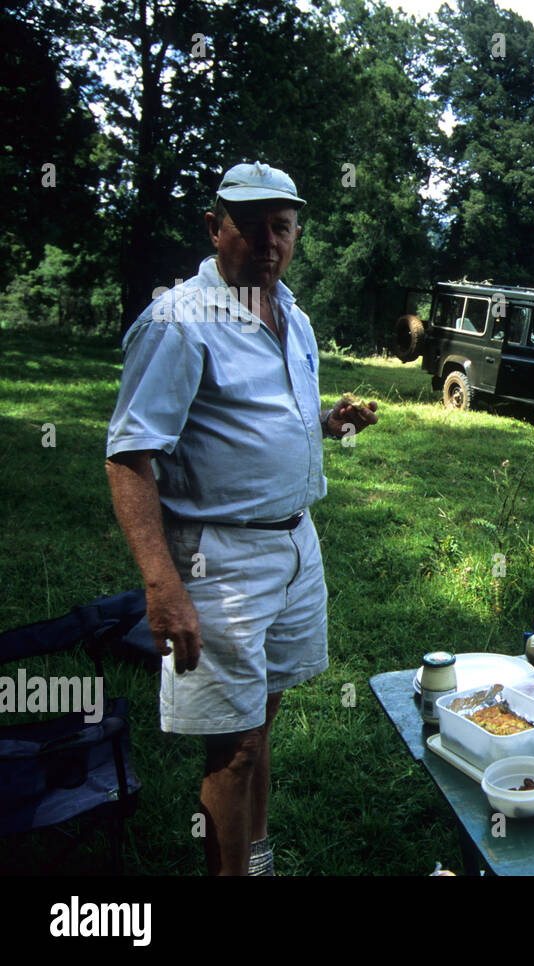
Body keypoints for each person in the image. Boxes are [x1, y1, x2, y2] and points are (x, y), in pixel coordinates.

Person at [104, 161, 377, 875]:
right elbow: (129, 455)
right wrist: (162, 586)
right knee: (234, 745)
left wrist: (327, 419)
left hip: (295, 545)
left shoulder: (295, 317)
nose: (268, 242)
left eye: (281, 228)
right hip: (217, 559)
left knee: (262, 721)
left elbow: (265, 418)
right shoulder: (178, 322)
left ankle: (256, 863)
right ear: (214, 228)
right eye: (251, 227)